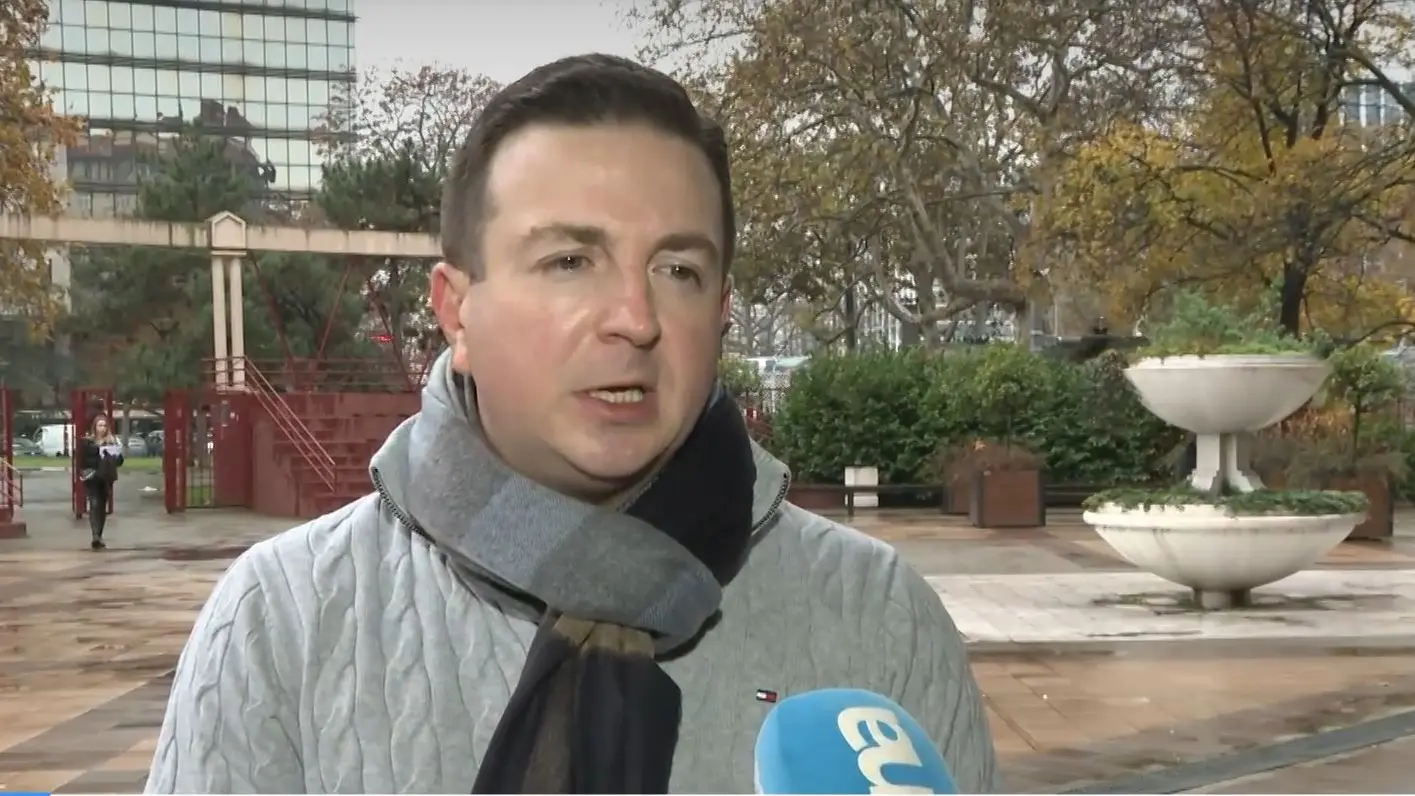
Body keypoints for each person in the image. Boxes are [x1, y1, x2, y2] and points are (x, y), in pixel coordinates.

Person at [147, 54, 1000, 793]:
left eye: (677, 268)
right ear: (455, 311)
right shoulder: (283, 622)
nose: (634, 317)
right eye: (568, 261)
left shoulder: (878, 616)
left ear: (721, 311)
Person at [78, 413, 123, 550]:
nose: (102, 428)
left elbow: (119, 462)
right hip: (92, 477)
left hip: (105, 477)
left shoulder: (112, 442)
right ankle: (95, 536)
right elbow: (82, 460)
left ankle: (99, 535)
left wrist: (115, 456)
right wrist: (98, 456)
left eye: (104, 426)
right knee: (94, 503)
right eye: (99, 425)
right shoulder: (87, 442)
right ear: (95, 427)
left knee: (102, 507)